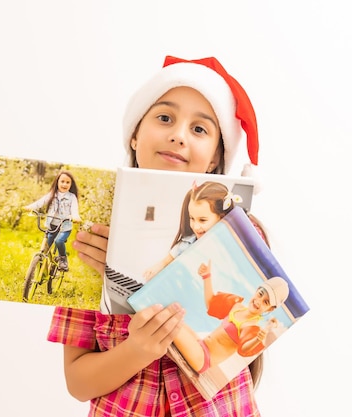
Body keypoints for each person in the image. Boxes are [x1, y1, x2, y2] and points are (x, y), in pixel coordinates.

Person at [48, 56, 271, 416]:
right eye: (164, 118)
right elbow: (78, 382)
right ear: (135, 136)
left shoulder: (242, 236)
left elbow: (229, 343)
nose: (178, 135)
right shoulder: (89, 241)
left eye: (200, 129)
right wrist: (137, 349)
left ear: (216, 158)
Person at [172, 260, 289, 374]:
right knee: (174, 316)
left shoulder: (251, 326)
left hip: (203, 358)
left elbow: (244, 349)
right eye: (260, 294)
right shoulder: (237, 305)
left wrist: (258, 338)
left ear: (270, 309)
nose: (258, 301)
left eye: (266, 302)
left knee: (171, 324)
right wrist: (206, 277)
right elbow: (211, 304)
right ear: (257, 290)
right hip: (200, 343)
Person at [143, 181, 242, 281]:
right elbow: (166, 261)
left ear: (221, 218)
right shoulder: (189, 242)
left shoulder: (230, 247)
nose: (195, 226)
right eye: (192, 218)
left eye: (202, 220)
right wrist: (157, 267)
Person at [24, 169, 81, 271]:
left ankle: (63, 259)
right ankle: (41, 265)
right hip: (52, 225)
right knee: (47, 246)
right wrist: (31, 207)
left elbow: (74, 209)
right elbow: (41, 202)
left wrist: (75, 216)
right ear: (57, 182)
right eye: (62, 181)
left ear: (71, 184)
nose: (64, 184)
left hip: (64, 226)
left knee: (59, 241)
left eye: (67, 182)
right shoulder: (52, 194)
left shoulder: (72, 197)